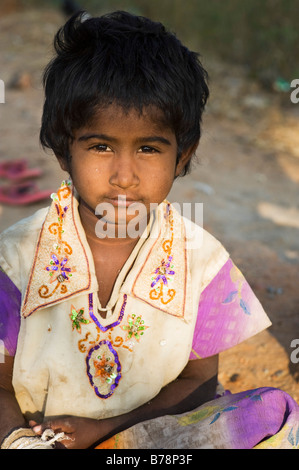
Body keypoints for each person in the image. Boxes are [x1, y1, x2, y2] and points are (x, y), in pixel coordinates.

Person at [0, 11, 298, 450]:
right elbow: (1, 388)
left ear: (182, 156)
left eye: (148, 148)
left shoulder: (201, 260)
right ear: (64, 149)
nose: (124, 176)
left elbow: (199, 382)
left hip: (147, 440)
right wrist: (19, 440)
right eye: (101, 146)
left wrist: (105, 431)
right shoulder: (18, 256)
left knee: (271, 414)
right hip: (36, 440)